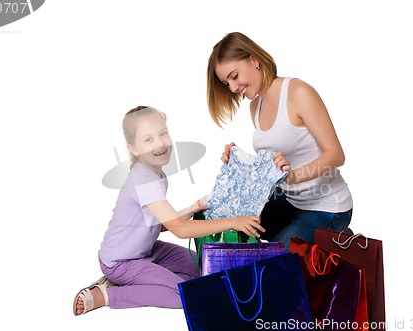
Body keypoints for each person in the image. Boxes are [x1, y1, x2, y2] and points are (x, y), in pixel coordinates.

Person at [73, 105, 264, 315]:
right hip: (120, 262)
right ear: (133, 148)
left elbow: (161, 224)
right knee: (183, 295)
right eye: (148, 139)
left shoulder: (157, 175)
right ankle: (110, 293)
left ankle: (142, 282)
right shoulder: (143, 180)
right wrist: (233, 222)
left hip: (148, 251)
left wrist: (193, 208)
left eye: (163, 134)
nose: (160, 143)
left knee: (204, 269)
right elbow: (179, 229)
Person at [206, 32, 353, 249]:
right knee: (232, 222)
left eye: (234, 76)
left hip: (326, 206)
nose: (233, 88)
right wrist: (240, 162)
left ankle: (334, 235)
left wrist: (293, 177)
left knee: (273, 262)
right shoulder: (255, 107)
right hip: (290, 201)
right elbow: (273, 162)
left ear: (254, 59)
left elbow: (336, 155)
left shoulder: (298, 93)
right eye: (226, 83)